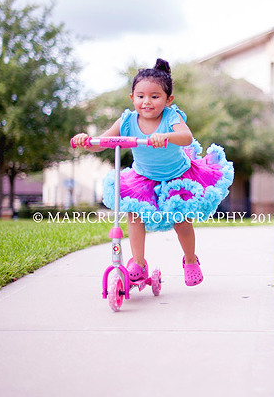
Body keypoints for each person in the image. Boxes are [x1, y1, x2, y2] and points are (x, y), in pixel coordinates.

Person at [72, 59, 234, 287]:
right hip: (143, 178)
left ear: (168, 100)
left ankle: (190, 260)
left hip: (178, 176)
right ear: (132, 98)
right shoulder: (127, 120)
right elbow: (105, 141)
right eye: (140, 96)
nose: (146, 102)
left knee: (182, 222)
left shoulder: (170, 117)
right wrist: (88, 142)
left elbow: (186, 137)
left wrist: (165, 136)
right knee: (134, 215)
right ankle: (138, 263)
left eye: (155, 97)